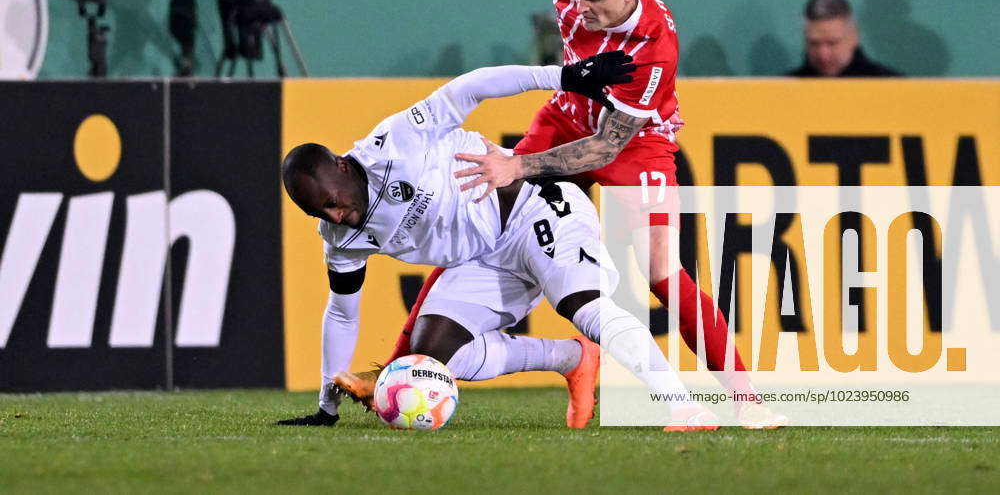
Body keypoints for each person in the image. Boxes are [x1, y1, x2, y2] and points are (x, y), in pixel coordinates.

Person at [337, 0, 783, 430]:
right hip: (567, 115)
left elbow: (605, 147)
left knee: (662, 274)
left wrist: (518, 165)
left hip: (635, 142)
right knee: (483, 223)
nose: (583, 7)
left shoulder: (651, 49)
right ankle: (398, 371)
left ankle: (747, 401)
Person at [277, 59, 721, 432]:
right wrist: (326, 407)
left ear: (340, 165)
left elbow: (471, 87)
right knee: (430, 360)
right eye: (321, 214)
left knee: (582, 306)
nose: (336, 216)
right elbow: (341, 310)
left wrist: (564, 77)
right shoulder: (340, 237)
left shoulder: (396, 143)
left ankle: (681, 405)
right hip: (484, 259)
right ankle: (570, 357)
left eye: (333, 203)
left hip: (535, 210)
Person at [787, 0, 902, 77]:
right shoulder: (784, 91)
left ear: (854, 37)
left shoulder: (893, 88)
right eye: (814, 43)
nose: (823, 54)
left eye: (832, 43)